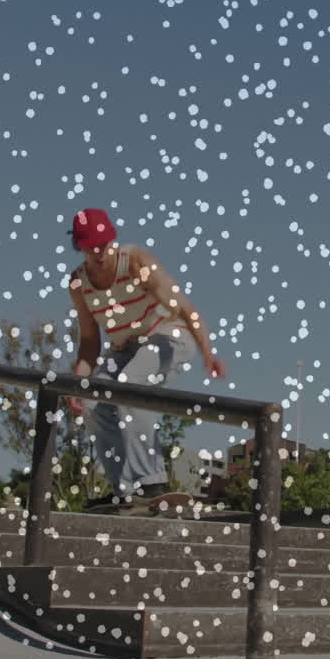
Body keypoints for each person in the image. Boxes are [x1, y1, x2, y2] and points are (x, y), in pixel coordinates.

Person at [64, 207, 227, 509]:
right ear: (79, 246)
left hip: (168, 336)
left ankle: (151, 481)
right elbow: (89, 343)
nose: (99, 254)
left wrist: (208, 353)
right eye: (91, 248)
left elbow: (185, 309)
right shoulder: (78, 284)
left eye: (104, 245)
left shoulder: (138, 262)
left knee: (129, 388)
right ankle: (123, 487)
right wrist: (79, 383)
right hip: (125, 349)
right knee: (91, 402)